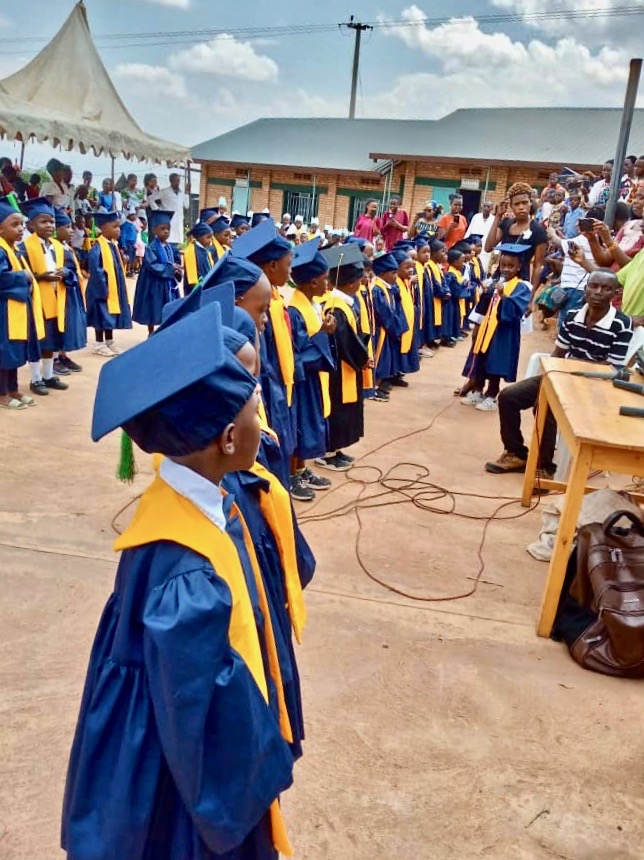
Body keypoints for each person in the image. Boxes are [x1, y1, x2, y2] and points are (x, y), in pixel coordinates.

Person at [62, 301, 296, 860]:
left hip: (161, 726)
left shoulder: (185, 503)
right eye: (252, 410)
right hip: (183, 770)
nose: (260, 422)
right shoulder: (187, 573)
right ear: (227, 440)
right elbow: (205, 723)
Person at [485, 269, 633, 476]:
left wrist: (571, 372)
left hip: (596, 385)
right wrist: (552, 375)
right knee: (509, 397)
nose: (598, 292)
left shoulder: (621, 324)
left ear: (616, 293)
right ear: (585, 289)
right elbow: (559, 353)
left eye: (606, 288)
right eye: (594, 286)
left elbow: (611, 368)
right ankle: (516, 453)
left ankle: (544, 467)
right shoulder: (572, 316)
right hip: (564, 375)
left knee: (547, 406)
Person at [233, 219, 296, 480]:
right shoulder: (253, 312)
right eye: (288, 265)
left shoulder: (273, 299)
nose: (291, 272)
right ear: (271, 266)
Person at [287, 239, 336, 501]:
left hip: (314, 377)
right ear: (312, 283)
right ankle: (292, 474)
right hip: (301, 379)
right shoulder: (294, 311)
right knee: (300, 425)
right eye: (325, 279)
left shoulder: (313, 304)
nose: (328, 284)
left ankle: (302, 468)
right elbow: (299, 352)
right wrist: (323, 333)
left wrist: (326, 330)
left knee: (309, 424)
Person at [315, 242, 370, 471]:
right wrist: (363, 358)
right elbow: (343, 342)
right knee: (337, 410)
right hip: (337, 370)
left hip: (345, 367)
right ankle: (326, 453)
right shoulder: (336, 306)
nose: (364, 281)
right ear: (350, 283)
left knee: (345, 411)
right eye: (360, 278)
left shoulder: (344, 302)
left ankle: (336, 450)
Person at [461, 244, 532, 411]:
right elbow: (483, 307)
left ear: (519, 266)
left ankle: (492, 395)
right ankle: (478, 390)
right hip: (486, 329)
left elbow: (516, 310)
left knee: (496, 362)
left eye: (510, 266)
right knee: (481, 359)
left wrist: (503, 296)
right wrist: (488, 293)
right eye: (503, 265)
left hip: (503, 333)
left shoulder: (522, 286)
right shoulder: (495, 282)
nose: (506, 269)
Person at [19, 197, 71, 394]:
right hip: (36, 301)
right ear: (31, 224)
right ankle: (35, 379)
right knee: (37, 340)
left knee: (52, 340)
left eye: (52, 222)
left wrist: (65, 273)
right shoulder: (24, 247)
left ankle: (48, 376)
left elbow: (70, 267)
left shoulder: (57, 246)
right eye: (44, 221)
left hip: (56, 299)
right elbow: (22, 272)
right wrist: (40, 277)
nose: (49, 225)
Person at [0, 196, 43, 409]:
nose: (20, 229)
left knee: (15, 349)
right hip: (3, 309)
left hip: (16, 306)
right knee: (4, 351)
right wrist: (23, 277)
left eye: (21, 225)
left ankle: (14, 388)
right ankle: (2, 394)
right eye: (14, 225)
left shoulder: (14, 249)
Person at [485, 181, 548, 297]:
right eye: (517, 204)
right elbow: (488, 247)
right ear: (511, 206)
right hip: (499, 280)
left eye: (525, 203)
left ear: (530, 203)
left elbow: (538, 265)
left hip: (520, 286)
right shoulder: (506, 224)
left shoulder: (538, 231)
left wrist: (531, 295)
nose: (521, 207)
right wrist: (497, 217)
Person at [85, 211, 132, 357]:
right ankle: (99, 344)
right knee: (101, 317)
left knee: (109, 316)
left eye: (119, 227)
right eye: (115, 226)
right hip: (101, 291)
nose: (118, 230)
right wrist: (103, 290)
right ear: (104, 228)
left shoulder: (112, 246)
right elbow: (97, 271)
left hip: (111, 289)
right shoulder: (97, 248)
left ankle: (109, 341)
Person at [133, 210, 182, 335]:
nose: (166, 231)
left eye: (168, 229)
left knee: (168, 307)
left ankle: (165, 330)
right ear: (154, 231)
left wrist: (177, 268)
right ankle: (151, 331)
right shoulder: (152, 247)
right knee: (153, 307)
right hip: (154, 284)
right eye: (162, 228)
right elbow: (152, 265)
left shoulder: (170, 247)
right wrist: (170, 269)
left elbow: (174, 261)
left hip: (168, 283)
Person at [51, 209, 87, 371]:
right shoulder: (53, 248)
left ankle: (62, 354)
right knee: (59, 323)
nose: (71, 230)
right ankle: (54, 358)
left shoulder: (65, 246)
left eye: (71, 226)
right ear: (55, 230)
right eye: (66, 227)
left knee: (69, 324)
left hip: (72, 291)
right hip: (61, 291)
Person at [154, 172, 189, 247]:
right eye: (175, 181)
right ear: (171, 181)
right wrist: (158, 209)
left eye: (178, 181)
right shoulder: (164, 191)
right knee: (167, 240)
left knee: (175, 242)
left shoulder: (181, 193)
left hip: (178, 221)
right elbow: (152, 199)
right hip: (168, 220)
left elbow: (187, 205)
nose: (177, 183)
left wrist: (186, 192)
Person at [184, 221, 215, 293]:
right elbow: (192, 280)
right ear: (198, 237)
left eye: (211, 237)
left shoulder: (206, 251)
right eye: (208, 237)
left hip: (207, 288)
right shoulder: (190, 251)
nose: (210, 241)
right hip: (196, 291)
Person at [119, 211, 138, 277]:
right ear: (128, 216)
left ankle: (130, 270)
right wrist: (123, 244)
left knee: (132, 258)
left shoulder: (133, 225)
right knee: (128, 257)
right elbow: (123, 235)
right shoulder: (126, 225)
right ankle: (127, 270)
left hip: (133, 244)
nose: (134, 216)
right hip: (128, 243)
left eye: (135, 215)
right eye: (132, 215)